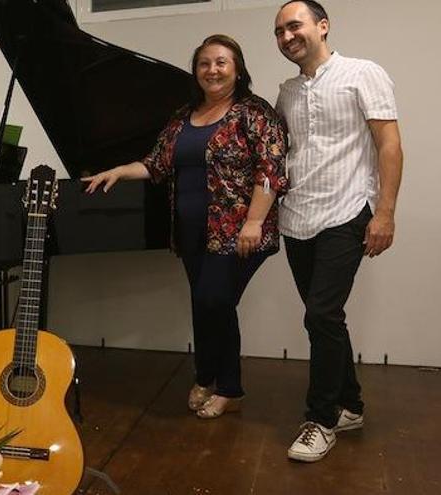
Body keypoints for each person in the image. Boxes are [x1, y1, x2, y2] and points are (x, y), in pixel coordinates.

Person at [83, 35, 288, 419]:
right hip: (191, 230)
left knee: (215, 301)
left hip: (237, 230)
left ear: (237, 69)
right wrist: (119, 170)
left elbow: (271, 170)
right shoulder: (183, 116)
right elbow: (157, 163)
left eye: (221, 62)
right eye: (204, 63)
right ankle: (206, 375)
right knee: (204, 303)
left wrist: (254, 221)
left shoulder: (254, 112)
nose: (212, 70)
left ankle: (229, 387)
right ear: (196, 71)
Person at [273, 1, 403, 462]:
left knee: (320, 316)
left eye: (295, 25)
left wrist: (383, 212)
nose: (287, 36)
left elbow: (389, 144)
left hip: (347, 212)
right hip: (297, 218)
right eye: (280, 31)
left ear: (322, 26)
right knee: (324, 316)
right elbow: (281, 158)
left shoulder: (362, 72)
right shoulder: (286, 91)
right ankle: (352, 406)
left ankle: (321, 420)